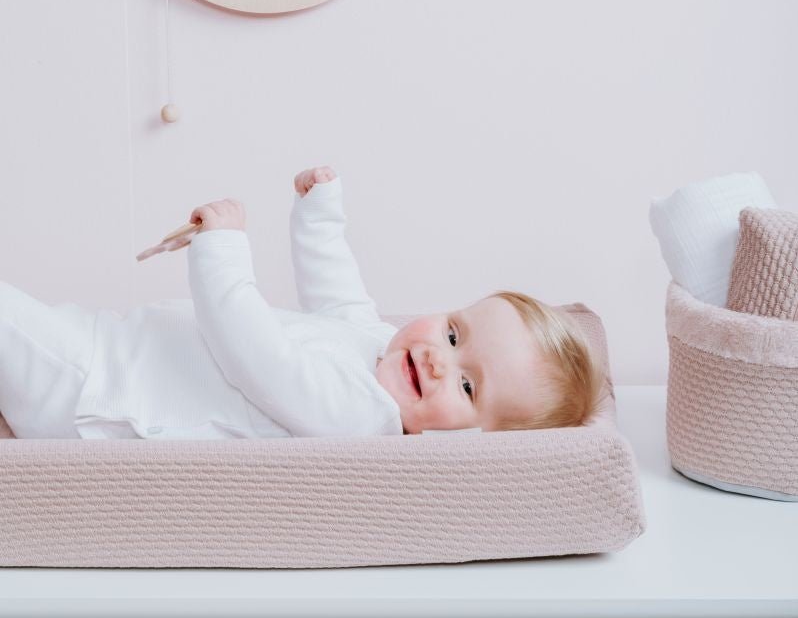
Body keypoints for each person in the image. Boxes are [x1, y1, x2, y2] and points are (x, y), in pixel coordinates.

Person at [0, 167, 608, 440]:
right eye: (453, 334)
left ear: (473, 443)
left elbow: (256, 356)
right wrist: (319, 216)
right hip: (111, 346)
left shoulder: (359, 417)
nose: (439, 360)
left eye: (469, 387)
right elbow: (338, 293)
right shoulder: (378, 349)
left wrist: (222, 250)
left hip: (97, 392)